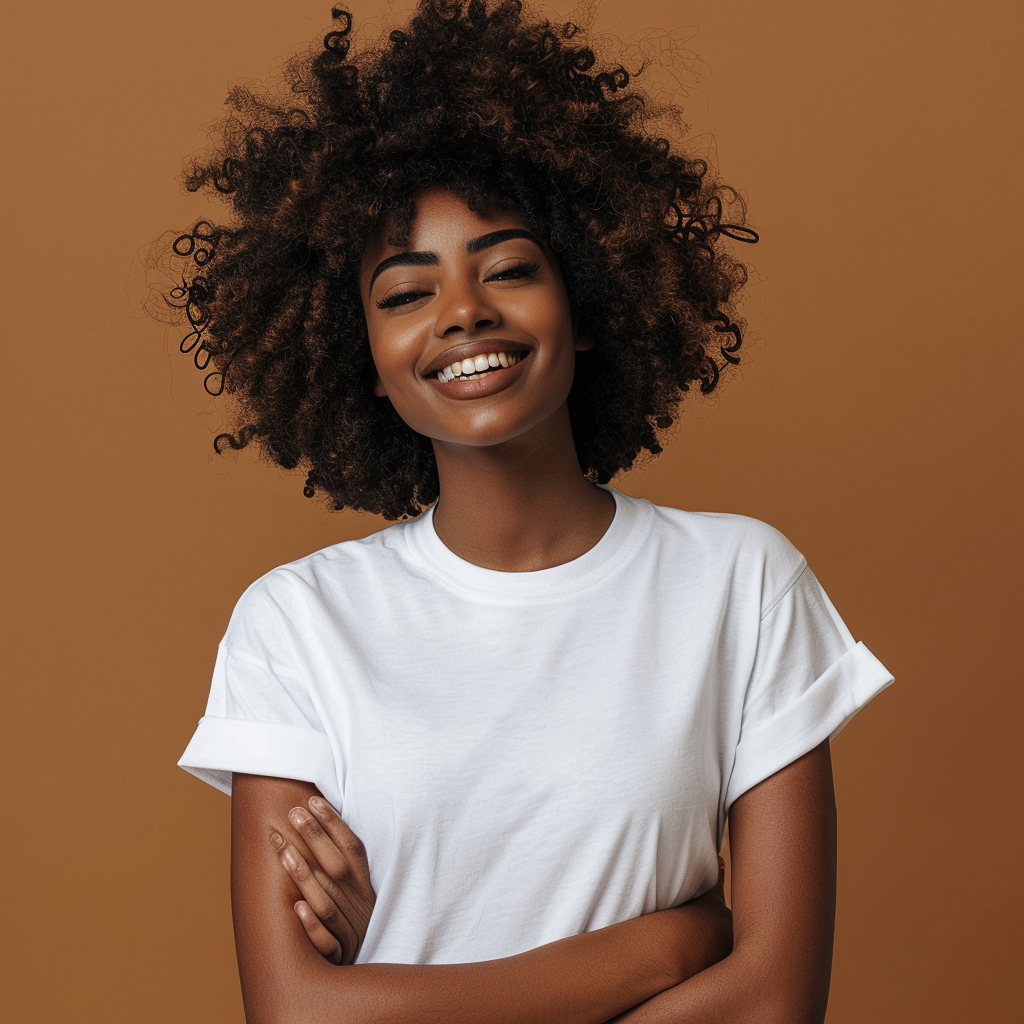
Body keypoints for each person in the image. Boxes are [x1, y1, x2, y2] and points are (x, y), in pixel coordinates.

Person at [171, 2, 893, 1021]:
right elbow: (295, 1014)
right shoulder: (295, 627)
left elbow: (773, 1001)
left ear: (586, 304)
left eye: (508, 269)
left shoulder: (742, 583)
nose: (464, 311)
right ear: (364, 365)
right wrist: (668, 945)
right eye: (405, 293)